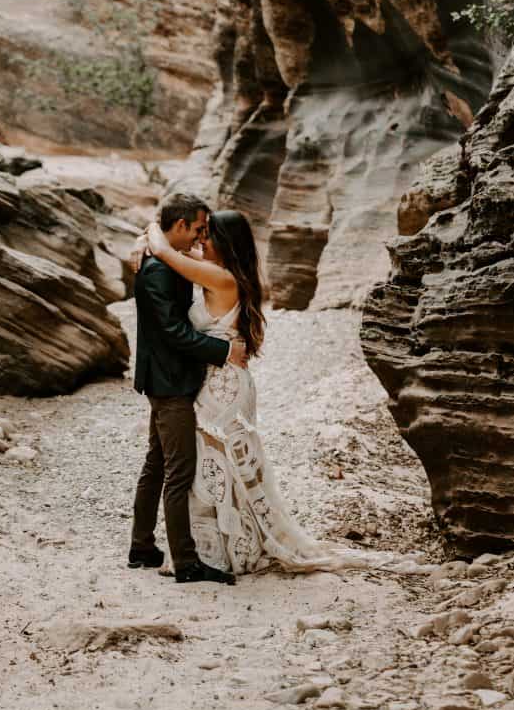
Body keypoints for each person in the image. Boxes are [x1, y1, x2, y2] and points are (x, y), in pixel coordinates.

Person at [142, 208, 392, 575]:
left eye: (207, 234)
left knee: (215, 464)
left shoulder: (219, 277)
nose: (201, 240)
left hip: (221, 386)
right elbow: (178, 252)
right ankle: (217, 546)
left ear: (224, 242)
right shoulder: (226, 273)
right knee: (218, 464)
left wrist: (151, 227)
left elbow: (165, 252)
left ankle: (219, 553)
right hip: (221, 380)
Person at [129, 192, 247, 585]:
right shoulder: (157, 272)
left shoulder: (166, 262)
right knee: (179, 472)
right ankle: (187, 563)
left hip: (166, 377)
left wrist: (151, 234)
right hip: (170, 382)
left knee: (157, 463)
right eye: (197, 228)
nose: (200, 238)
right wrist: (224, 350)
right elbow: (174, 332)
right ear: (179, 226)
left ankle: (142, 546)